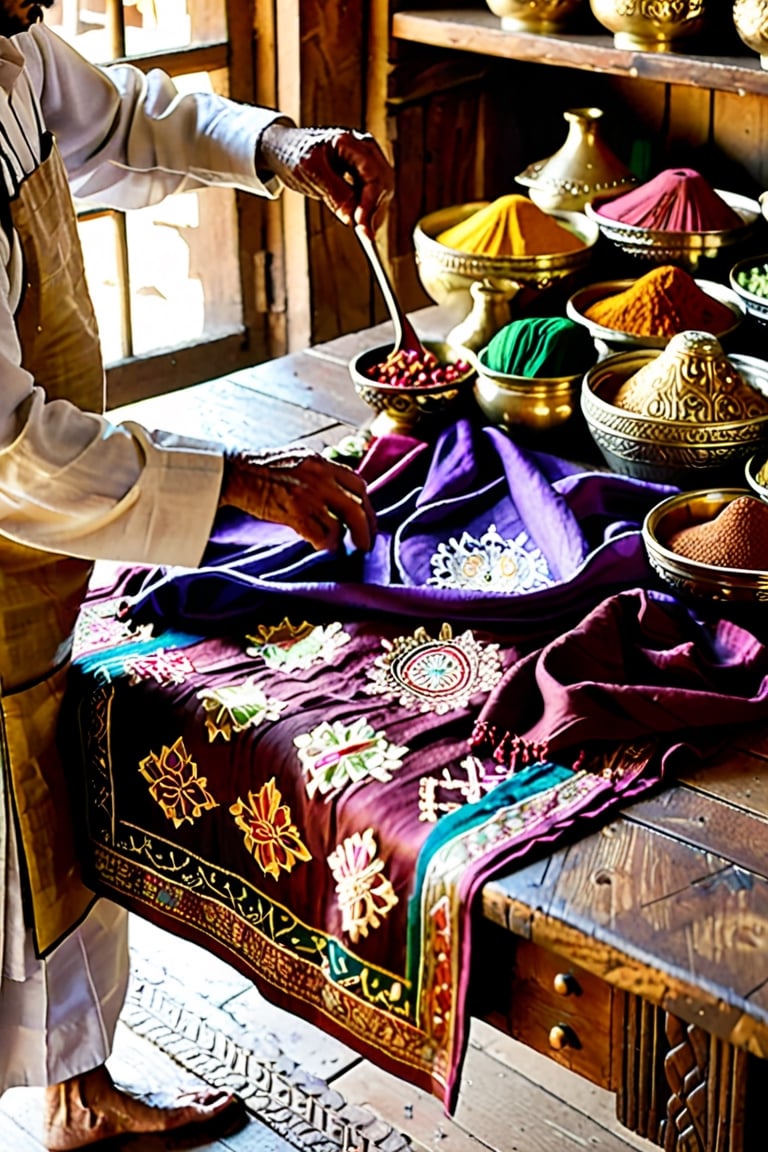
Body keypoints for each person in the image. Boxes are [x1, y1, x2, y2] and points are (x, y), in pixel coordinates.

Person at [0, 3, 392, 1149]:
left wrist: (279, 147)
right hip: (16, 504)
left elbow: (118, 114)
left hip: (34, 546)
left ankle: (77, 1093)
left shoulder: (11, 49)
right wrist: (239, 485)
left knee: (46, 799)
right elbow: (12, 450)